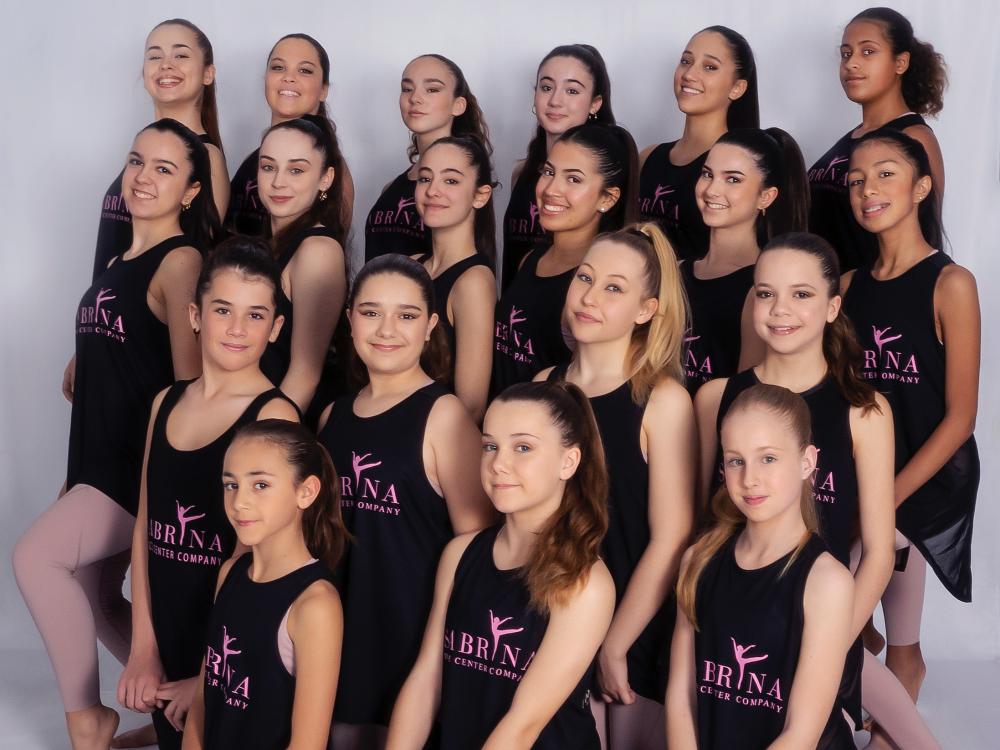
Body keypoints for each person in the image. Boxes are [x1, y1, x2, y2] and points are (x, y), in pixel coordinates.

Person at [13, 118, 220, 750]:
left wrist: (173, 482)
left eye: (164, 168)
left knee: (35, 558)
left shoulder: (181, 260)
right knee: (93, 590)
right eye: (136, 161)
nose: (143, 177)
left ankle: (89, 719)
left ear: (191, 191)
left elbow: (190, 385)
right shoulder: (114, 262)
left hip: (137, 465)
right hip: (94, 460)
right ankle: (190, 702)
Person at [695, 232, 943, 746]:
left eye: (801, 294)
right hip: (731, 620)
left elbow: (879, 552)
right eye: (766, 293)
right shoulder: (716, 398)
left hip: (819, 613)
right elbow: (704, 525)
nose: (780, 309)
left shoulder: (864, 410)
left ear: (832, 307)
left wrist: (829, 644)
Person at [116, 238, 299, 749]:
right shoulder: (166, 402)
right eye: (223, 310)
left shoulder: (274, 416)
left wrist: (208, 670)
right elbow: (146, 524)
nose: (237, 328)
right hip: (167, 634)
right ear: (195, 315)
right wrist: (143, 647)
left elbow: (262, 561)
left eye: (255, 315)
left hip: (232, 648)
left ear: (275, 328)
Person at [318, 254, 495, 749]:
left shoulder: (445, 417)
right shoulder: (332, 417)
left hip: (411, 646)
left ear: (431, 325)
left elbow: (478, 554)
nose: (387, 330)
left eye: (407, 315)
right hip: (337, 642)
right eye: (371, 312)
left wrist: (440, 663)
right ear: (350, 318)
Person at [843, 129, 979, 748]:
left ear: (921, 188)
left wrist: (886, 495)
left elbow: (960, 418)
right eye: (856, 180)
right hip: (862, 469)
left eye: (885, 174)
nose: (867, 189)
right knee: (826, 594)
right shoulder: (848, 287)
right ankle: (887, 651)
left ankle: (901, 673)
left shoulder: (951, 283)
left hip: (928, 471)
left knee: (876, 550)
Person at [387, 381, 616, 749]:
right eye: (490, 446)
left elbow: (523, 725)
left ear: (569, 461)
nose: (498, 464)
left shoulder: (585, 582)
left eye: (523, 447)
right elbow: (426, 682)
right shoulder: (459, 555)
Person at [538, 224, 695, 749]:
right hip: (550, 618)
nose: (589, 297)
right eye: (585, 278)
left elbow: (672, 537)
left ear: (646, 310)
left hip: (632, 629)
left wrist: (614, 643)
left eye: (613, 288)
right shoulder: (541, 387)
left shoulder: (662, 401)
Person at [667, 384, 856, 749]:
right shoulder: (699, 561)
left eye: (768, 458)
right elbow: (681, 698)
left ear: (807, 462)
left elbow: (801, 732)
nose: (749, 479)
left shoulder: (827, 582)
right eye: (736, 461)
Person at [181, 420, 347, 750]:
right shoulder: (229, 573)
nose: (239, 502)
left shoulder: (315, 604)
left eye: (260, 485)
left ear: (306, 492)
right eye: (231, 485)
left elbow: (307, 744)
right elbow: (204, 698)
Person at [493, 122, 638, 394]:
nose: (551, 189)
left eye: (573, 179)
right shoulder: (531, 259)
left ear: (607, 198)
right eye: (549, 172)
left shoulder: (596, 286)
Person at [808, 7, 947, 272]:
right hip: (827, 290)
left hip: (870, 293)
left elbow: (925, 236)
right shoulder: (854, 138)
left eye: (868, 51)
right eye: (846, 53)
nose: (851, 63)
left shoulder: (912, 136)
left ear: (900, 63)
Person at [93, 19, 228, 281]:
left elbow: (192, 266)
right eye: (155, 56)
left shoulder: (207, 156)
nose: (166, 64)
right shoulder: (142, 154)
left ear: (207, 73)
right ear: (144, 74)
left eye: (181, 55)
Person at [682, 127, 808, 395]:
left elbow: (746, 396)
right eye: (707, 174)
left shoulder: (763, 287)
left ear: (766, 196)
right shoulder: (674, 270)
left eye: (733, 179)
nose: (712, 190)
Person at [638, 26, 759, 262]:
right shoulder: (648, 157)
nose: (690, 74)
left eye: (710, 67)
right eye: (686, 61)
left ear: (737, 88)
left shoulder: (741, 166)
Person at [256, 116, 349, 418]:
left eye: (296, 170)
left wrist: (265, 437)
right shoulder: (268, 245)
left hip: (287, 422)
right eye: (268, 167)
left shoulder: (317, 250)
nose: (278, 182)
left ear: (325, 179)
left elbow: (305, 375)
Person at [501, 44, 614, 289]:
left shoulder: (606, 177)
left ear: (595, 103)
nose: (555, 101)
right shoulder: (521, 173)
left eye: (572, 91)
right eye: (546, 87)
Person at [364, 54, 491, 261]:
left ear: (458, 105)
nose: (415, 98)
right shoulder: (390, 188)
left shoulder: (465, 183)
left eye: (432, 89)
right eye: (407, 88)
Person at [226, 33, 354, 238]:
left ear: (323, 90)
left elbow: (328, 246)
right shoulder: (253, 158)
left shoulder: (333, 168)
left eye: (305, 70)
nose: (289, 77)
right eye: (278, 67)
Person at [413, 135, 497, 422]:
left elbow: (471, 407)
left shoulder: (473, 282)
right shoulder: (411, 264)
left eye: (450, 181)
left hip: (429, 438)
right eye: (425, 178)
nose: (432, 191)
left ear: (480, 195)